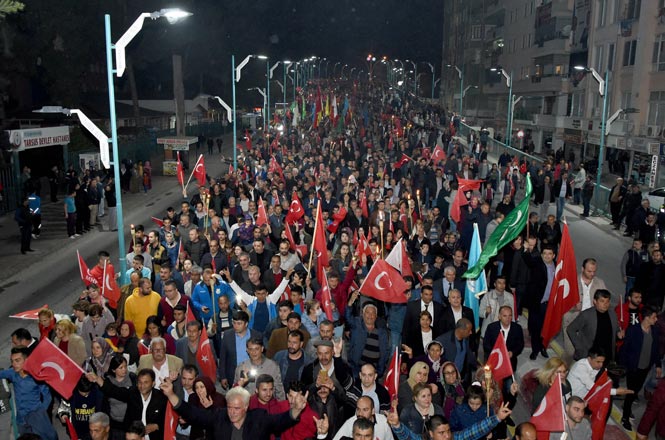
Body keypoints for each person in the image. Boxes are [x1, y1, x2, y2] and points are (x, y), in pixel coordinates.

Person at [160, 381, 309, 440]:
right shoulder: (219, 416)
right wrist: (171, 395)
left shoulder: (259, 418)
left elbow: (280, 421)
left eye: (236, 408)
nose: (232, 412)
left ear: (245, 407)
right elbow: (194, 414)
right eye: (230, 407)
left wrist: (296, 409)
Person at [87, 368, 168, 439]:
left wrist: (157, 426)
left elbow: (168, 418)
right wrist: (97, 379)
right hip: (132, 436)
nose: (142, 385)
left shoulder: (161, 398)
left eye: (146, 382)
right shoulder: (132, 393)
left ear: (153, 383)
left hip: (154, 436)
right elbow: (114, 391)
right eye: (139, 382)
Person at [0, 347, 57, 440]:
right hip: (21, 419)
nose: (14, 364)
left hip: (36, 417)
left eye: (17, 360)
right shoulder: (12, 373)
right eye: (12, 361)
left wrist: (41, 413)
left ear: (27, 360)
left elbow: (47, 396)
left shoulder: (36, 376)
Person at [619, 305, 661, 431]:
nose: (656, 319)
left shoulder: (654, 331)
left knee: (636, 390)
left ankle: (628, 405)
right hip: (633, 368)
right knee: (631, 392)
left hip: (645, 368)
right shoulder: (633, 330)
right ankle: (625, 417)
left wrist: (658, 365)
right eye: (654, 317)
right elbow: (624, 350)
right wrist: (623, 367)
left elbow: (656, 349)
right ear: (647, 318)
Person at [387, 401, 512, 440]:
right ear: (430, 433)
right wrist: (397, 425)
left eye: (447, 431)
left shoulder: (455, 438)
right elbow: (407, 436)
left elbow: (474, 431)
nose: (447, 436)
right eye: (441, 433)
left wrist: (497, 418)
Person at [566, 289, 621, 362]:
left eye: (607, 301)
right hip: (590, 357)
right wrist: (579, 347)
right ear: (595, 301)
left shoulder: (612, 314)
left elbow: (616, 331)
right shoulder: (586, 314)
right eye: (602, 301)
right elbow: (570, 329)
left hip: (608, 356)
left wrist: (619, 334)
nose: (605, 304)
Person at [218, 311, 262, 390]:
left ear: (246, 324)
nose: (235, 326)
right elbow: (223, 357)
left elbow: (262, 356)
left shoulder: (256, 335)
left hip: (253, 372)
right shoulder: (227, 335)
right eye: (234, 323)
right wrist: (223, 376)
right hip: (234, 374)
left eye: (239, 323)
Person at [567, 347, 632, 398]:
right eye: (598, 362)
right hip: (569, 398)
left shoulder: (595, 367)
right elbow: (593, 388)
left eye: (602, 362)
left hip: (581, 398)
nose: (601, 365)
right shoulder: (581, 367)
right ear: (589, 359)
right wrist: (615, 391)